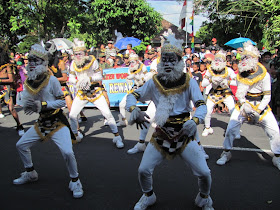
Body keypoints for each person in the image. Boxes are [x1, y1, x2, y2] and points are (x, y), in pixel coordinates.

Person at [126, 30, 213, 210]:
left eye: (171, 59)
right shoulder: (154, 81)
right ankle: (148, 196)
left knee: (205, 173)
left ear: (180, 61)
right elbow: (132, 96)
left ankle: (204, 199)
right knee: (143, 169)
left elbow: (201, 105)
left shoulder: (189, 81)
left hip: (185, 132)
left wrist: (195, 121)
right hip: (162, 133)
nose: (167, 63)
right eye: (164, 59)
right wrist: (134, 110)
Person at [13, 44, 83, 198]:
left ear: (43, 63)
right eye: (29, 60)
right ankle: (30, 172)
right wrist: (30, 105)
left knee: (67, 152)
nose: (30, 63)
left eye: (34, 60)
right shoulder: (29, 82)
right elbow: (29, 103)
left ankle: (75, 180)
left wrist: (43, 105)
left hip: (57, 121)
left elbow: (62, 102)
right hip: (41, 122)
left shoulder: (52, 80)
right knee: (21, 145)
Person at [216, 41, 280, 171]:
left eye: (247, 59)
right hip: (243, 106)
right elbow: (240, 94)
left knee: (275, 131)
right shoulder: (241, 74)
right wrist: (245, 106)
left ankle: (277, 157)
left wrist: (258, 110)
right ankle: (226, 153)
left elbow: (267, 96)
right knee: (230, 129)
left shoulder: (265, 75)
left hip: (261, 107)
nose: (244, 61)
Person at [68, 39, 124, 148]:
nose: (78, 56)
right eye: (76, 54)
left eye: (80, 54)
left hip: (95, 92)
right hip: (82, 93)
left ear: (85, 53)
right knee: (72, 115)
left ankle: (117, 137)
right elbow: (70, 77)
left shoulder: (92, 61)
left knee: (107, 113)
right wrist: (77, 82)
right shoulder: (73, 63)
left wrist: (89, 79)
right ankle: (76, 134)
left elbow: (99, 76)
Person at [201, 50, 237, 137]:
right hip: (214, 93)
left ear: (224, 62)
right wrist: (211, 80)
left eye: (220, 60)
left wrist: (227, 82)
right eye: (216, 60)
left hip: (225, 93)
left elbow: (236, 82)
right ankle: (207, 127)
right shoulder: (210, 70)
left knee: (233, 110)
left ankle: (234, 129)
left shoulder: (228, 70)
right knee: (208, 110)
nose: (217, 62)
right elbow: (203, 83)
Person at [0, 46, 24, 135]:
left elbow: (11, 80)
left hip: (6, 88)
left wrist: (0, 80)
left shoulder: (7, 67)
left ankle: (19, 125)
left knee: (11, 108)